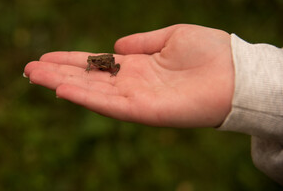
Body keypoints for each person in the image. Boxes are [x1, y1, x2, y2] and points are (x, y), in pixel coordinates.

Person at [23, 24, 283, 185]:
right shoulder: (94, 62)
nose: (93, 62)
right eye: (94, 62)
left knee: (112, 64)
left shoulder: (107, 63)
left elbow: (112, 63)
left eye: (95, 62)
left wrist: (240, 75)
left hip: (113, 67)